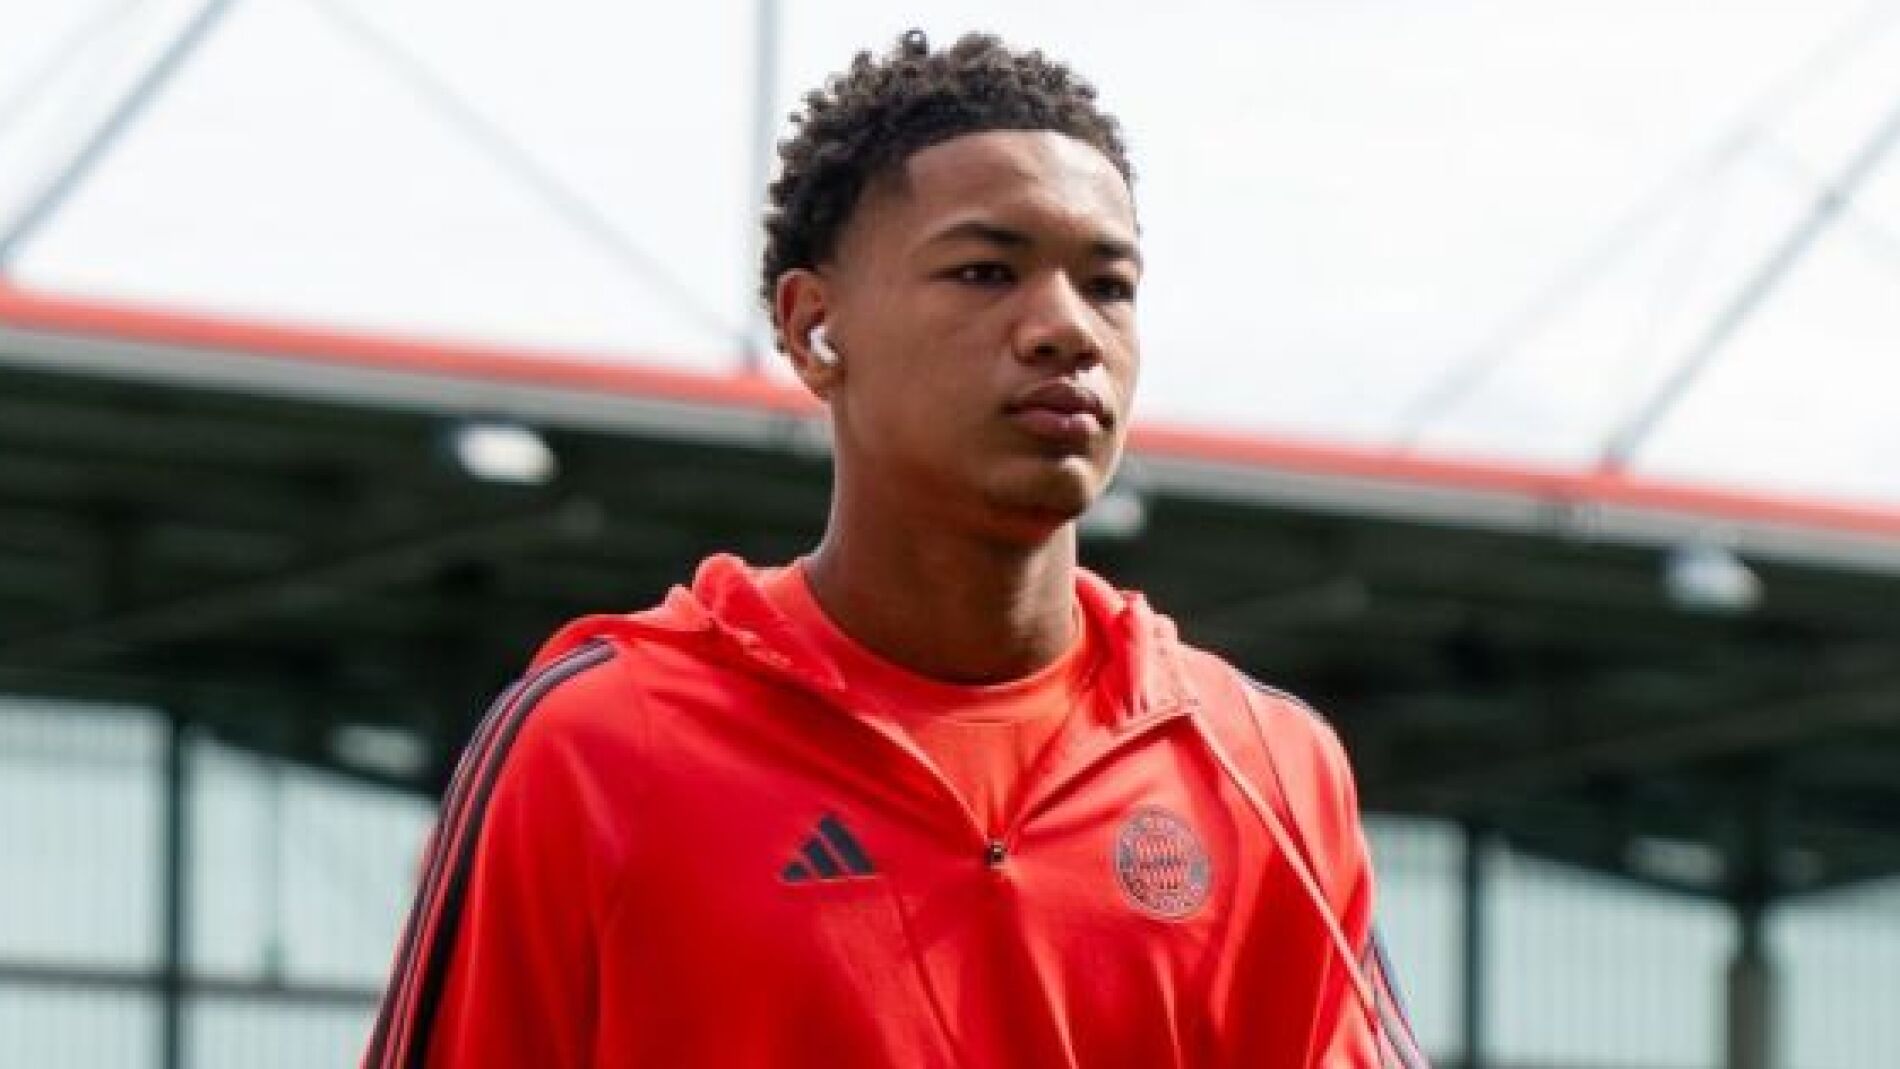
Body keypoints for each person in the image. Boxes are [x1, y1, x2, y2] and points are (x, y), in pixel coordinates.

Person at [362, 29, 1426, 1069]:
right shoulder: (595, 745)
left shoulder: (1264, 767)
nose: (1066, 328)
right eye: (985, 271)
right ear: (812, 328)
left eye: (1109, 285)